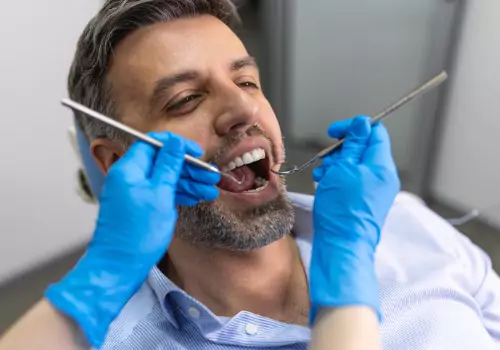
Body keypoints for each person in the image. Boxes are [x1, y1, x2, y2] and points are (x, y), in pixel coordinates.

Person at [1, 0, 500, 349]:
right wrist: (99, 280)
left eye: (247, 80)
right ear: (114, 164)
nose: (243, 108)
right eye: (185, 99)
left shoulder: (409, 225)